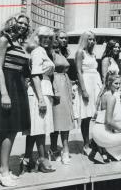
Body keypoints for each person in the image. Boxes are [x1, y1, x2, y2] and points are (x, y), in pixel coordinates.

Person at [0, 14, 31, 186]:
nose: (23, 26)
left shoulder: (19, 44)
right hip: (7, 85)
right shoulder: (5, 40)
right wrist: (4, 93)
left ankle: (2, 168)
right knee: (9, 129)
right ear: (12, 22)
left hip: (17, 85)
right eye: (20, 22)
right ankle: (3, 171)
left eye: (26, 24)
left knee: (8, 129)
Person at [21, 26, 56, 174]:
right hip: (39, 91)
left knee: (34, 129)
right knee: (40, 128)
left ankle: (27, 160)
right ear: (38, 38)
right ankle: (42, 160)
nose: (46, 40)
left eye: (49, 37)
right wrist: (41, 99)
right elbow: (35, 75)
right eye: (43, 37)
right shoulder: (37, 51)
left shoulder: (43, 52)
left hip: (43, 89)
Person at [92, 72, 121, 161]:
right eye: (116, 83)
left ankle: (104, 150)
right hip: (102, 133)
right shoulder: (111, 98)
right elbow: (109, 121)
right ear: (110, 83)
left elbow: (112, 119)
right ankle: (108, 151)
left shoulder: (104, 95)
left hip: (97, 130)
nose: (118, 85)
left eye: (120, 83)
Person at [75, 31, 102, 155]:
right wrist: (84, 90)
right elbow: (79, 72)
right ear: (85, 40)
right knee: (85, 117)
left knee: (93, 115)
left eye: (94, 39)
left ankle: (94, 141)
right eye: (89, 39)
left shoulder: (93, 54)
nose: (92, 41)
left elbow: (95, 71)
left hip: (95, 83)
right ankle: (85, 144)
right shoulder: (80, 53)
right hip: (86, 84)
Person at [49, 30, 74, 164]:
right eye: (62, 38)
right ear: (55, 38)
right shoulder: (50, 52)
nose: (65, 40)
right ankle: (54, 148)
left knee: (65, 119)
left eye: (66, 38)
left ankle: (65, 149)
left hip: (65, 85)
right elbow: (50, 71)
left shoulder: (62, 53)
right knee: (55, 118)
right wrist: (55, 90)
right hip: (56, 85)